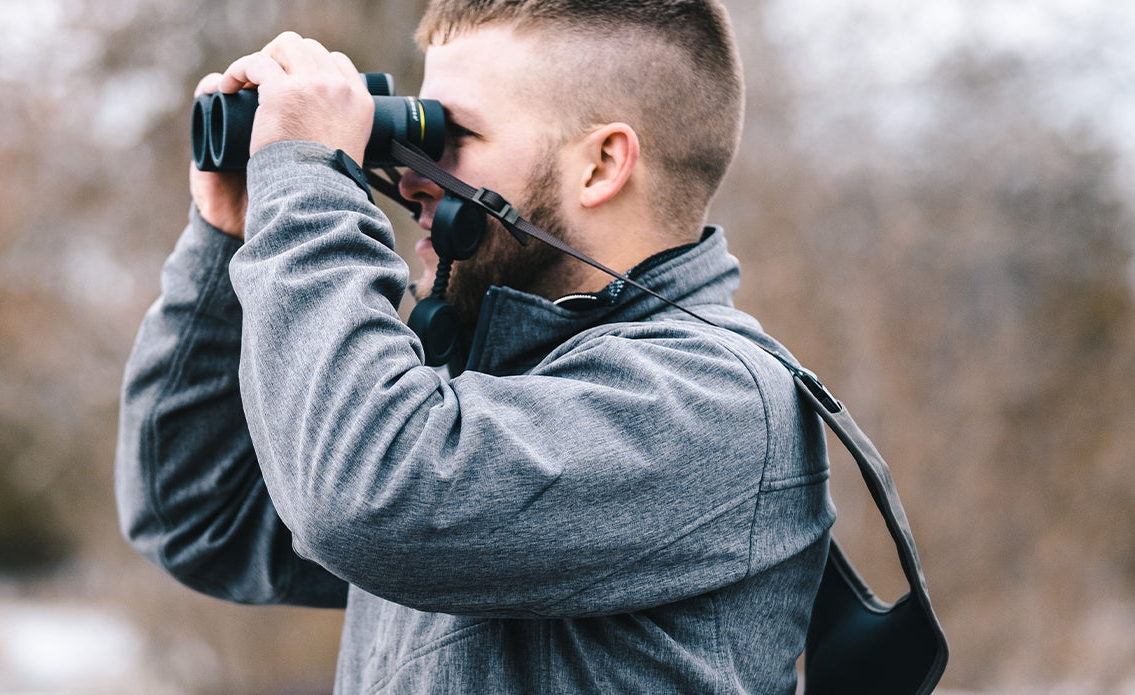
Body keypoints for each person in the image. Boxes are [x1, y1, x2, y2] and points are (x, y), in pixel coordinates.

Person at [116, 1, 834, 691]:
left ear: (601, 164)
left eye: (450, 135)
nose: (408, 174)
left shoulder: (716, 404)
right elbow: (200, 510)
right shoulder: (466, 390)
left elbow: (369, 498)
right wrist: (229, 238)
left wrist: (308, 182)